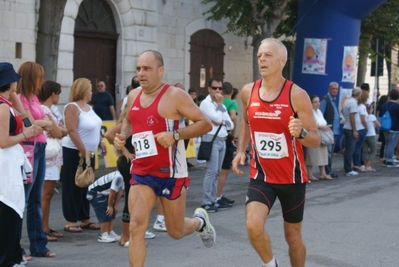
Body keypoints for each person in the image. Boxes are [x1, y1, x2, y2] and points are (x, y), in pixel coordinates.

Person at [113, 50, 215, 266]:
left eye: (146, 69)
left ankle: (199, 222)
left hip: (171, 173)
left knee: (175, 231)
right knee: (136, 226)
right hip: (142, 172)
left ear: (160, 71)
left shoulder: (175, 96)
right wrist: (122, 138)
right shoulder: (133, 95)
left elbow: (205, 123)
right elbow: (128, 123)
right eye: (138, 69)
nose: (141, 73)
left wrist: (175, 135)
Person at [232, 38, 320, 267]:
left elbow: (316, 139)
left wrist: (301, 133)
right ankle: (272, 264)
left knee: (293, 238)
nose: (262, 58)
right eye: (260, 55)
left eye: (268, 55)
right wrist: (241, 150)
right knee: (253, 225)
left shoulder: (297, 95)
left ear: (282, 61)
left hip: (292, 178)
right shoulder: (248, 91)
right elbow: (246, 122)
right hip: (262, 176)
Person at [17, 61, 56, 258]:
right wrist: (42, 123)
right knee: (22, 200)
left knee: (34, 200)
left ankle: (39, 246)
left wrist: (42, 124)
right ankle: (16, 247)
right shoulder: (20, 98)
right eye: (39, 76)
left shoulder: (32, 98)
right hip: (28, 149)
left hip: (39, 147)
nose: (41, 80)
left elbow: (45, 124)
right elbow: (30, 124)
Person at [0, 62, 35, 267]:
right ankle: (7, 259)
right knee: (9, 209)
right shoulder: (3, 107)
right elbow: (3, 141)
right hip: (6, 163)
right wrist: (24, 134)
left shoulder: (6, 102)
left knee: (14, 209)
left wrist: (11, 93)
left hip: (11, 162)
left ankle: (13, 255)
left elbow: (24, 116)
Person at [104, 110, 156, 247]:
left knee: (140, 199)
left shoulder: (144, 121)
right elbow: (108, 134)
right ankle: (125, 236)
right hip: (129, 164)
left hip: (141, 164)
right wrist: (125, 151)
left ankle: (135, 233)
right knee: (131, 199)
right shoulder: (129, 123)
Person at [61, 78, 106, 233]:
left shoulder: (88, 107)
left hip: (88, 152)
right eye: (90, 89)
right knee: (73, 184)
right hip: (75, 151)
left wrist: (100, 142)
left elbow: (94, 127)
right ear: (83, 90)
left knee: (85, 184)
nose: (92, 92)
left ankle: (84, 217)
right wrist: (83, 150)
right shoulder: (72, 107)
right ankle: (71, 220)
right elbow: (72, 130)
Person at [38, 81, 68, 242]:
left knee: (47, 195)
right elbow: (58, 131)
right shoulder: (45, 110)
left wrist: (60, 130)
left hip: (52, 157)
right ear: (53, 94)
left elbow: (60, 129)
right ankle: (43, 228)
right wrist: (60, 130)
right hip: (48, 157)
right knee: (46, 194)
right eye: (58, 93)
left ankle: (46, 226)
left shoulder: (50, 110)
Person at [199, 78, 234, 212]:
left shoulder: (221, 105)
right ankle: (207, 202)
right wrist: (221, 119)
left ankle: (214, 199)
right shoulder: (206, 104)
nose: (218, 91)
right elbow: (219, 119)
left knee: (217, 172)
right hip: (211, 139)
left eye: (220, 88)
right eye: (214, 88)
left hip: (222, 139)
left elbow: (230, 124)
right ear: (209, 89)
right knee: (211, 171)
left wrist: (221, 120)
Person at [216, 81, 238, 207]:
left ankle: (215, 194)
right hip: (226, 135)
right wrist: (233, 133)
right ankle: (217, 195)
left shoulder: (216, 102)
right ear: (231, 92)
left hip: (215, 135)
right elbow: (233, 117)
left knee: (215, 169)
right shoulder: (232, 103)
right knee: (224, 170)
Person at [86, 170, 124, 243]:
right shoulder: (119, 177)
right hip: (94, 193)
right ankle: (103, 235)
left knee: (112, 210)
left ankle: (109, 232)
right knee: (105, 211)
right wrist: (109, 206)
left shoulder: (123, 176)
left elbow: (120, 191)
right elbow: (112, 191)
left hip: (103, 194)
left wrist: (115, 205)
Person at [306, 95, 333, 181]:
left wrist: (325, 127)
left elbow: (322, 122)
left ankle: (323, 173)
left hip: (322, 135)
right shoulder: (309, 112)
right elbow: (309, 124)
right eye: (315, 102)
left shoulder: (319, 112)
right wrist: (321, 127)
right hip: (313, 135)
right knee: (312, 154)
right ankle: (310, 174)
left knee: (323, 154)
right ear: (311, 103)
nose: (317, 104)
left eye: (318, 101)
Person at [319, 81, 340, 178]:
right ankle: (327, 172)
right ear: (329, 89)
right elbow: (320, 114)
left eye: (336, 89)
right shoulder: (325, 100)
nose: (335, 91)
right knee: (328, 153)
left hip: (333, 131)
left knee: (330, 153)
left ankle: (328, 171)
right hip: (328, 131)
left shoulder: (333, 100)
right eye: (333, 89)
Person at [342, 87, 362, 176]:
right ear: (359, 94)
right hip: (350, 128)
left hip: (347, 126)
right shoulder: (353, 103)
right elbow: (352, 117)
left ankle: (347, 168)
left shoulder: (348, 101)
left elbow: (344, 112)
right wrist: (354, 130)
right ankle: (348, 169)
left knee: (348, 150)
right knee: (350, 150)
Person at [378, 89, 399, 167]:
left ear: (389, 96)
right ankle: (390, 161)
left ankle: (385, 159)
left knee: (386, 143)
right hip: (394, 128)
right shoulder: (397, 106)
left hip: (385, 127)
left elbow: (380, 115)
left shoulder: (384, 105)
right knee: (391, 144)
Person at [352, 90, 368, 171]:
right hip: (361, 128)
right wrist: (366, 127)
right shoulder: (362, 107)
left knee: (355, 146)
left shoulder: (355, 105)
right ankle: (357, 163)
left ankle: (355, 162)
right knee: (359, 147)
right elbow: (363, 119)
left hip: (356, 127)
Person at [362, 103, 380, 171]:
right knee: (373, 150)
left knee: (365, 150)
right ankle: (368, 166)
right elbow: (378, 125)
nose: (372, 109)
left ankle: (364, 165)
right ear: (369, 110)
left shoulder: (363, 117)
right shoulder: (372, 116)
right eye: (371, 108)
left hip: (364, 135)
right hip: (371, 135)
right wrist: (374, 125)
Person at [376, 95, 388, 160]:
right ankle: (383, 155)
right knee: (385, 142)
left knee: (383, 141)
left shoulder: (378, 107)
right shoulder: (385, 107)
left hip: (380, 125)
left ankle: (381, 155)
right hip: (384, 125)